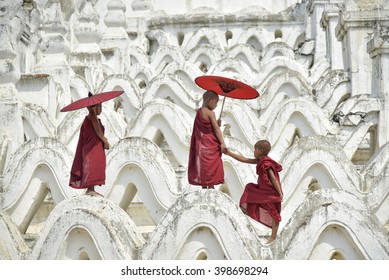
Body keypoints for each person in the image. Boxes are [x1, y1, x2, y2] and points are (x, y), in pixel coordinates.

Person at [224, 140, 283, 244]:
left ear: (260, 151)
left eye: (254, 149)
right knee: (249, 187)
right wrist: (229, 153)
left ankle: (273, 236)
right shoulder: (260, 161)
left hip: (270, 192)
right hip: (261, 190)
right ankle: (246, 209)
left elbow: (273, 178)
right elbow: (244, 159)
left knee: (275, 215)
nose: (253, 151)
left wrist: (280, 193)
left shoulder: (266, 163)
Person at [69, 93, 110, 196]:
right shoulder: (92, 116)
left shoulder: (90, 117)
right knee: (92, 167)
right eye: (99, 106)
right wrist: (106, 141)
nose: (101, 108)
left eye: (101, 106)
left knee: (94, 167)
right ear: (93, 108)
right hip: (92, 149)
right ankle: (90, 189)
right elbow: (98, 132)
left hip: (92, 148)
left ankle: (91, 189)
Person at [188, 90, 227, 189]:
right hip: (210, 144)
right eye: (216, 102)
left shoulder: (199, 111)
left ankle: (204, 187)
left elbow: (209, 126)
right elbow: (216, 129)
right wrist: (222, 143)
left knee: (203, 166)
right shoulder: (210, 113)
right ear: (209, 100)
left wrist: (215, 124)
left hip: (201, 144)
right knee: (211, 166)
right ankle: (211, 187)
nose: (216, 105)